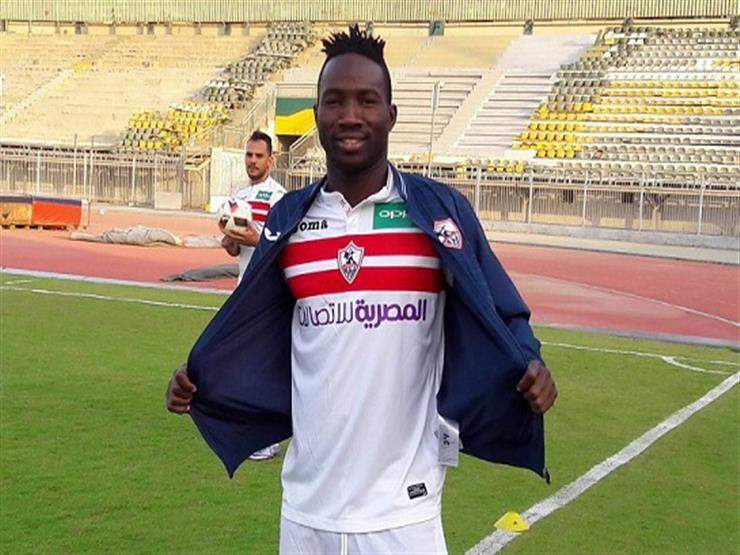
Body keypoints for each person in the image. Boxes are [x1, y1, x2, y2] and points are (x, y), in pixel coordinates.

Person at [167, 25, 557, 554]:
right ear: (317, 115)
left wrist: (532, 363)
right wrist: (202, 377)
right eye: (335, 101)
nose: (350, 115)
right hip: (306, 511)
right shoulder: (289, 221)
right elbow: (250, 324)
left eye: (367, 100)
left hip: (405, 513)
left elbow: (502, 310)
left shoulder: (439, 213)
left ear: (391, 114)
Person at [220, 130, 285, 460]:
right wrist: (230, 239)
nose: (253, 161)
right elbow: (236, 250)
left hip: (268, 291)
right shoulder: (239, 198)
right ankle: (254, 429)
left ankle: (268, 438)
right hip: (244, 288)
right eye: (249, 155)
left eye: (259, 156)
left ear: (271, 160)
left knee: (263, 363)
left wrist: (253, 238)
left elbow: (279, 245)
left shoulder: (279, 198)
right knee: (244, 360)